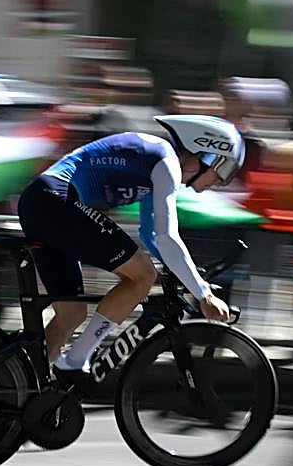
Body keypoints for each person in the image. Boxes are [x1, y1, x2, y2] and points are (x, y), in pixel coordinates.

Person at [16, 114, 243, 375]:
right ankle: (76, 361)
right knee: (143, 275)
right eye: (225, 171)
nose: (222, 182)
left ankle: (23, 384)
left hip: (44, 202)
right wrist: (203, 294)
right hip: (54, 200)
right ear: (207, 155)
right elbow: (168, 237)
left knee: (72, 314)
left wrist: (185, 274)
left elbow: (151, 235)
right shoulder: (166, 162)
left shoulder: (157, 164)